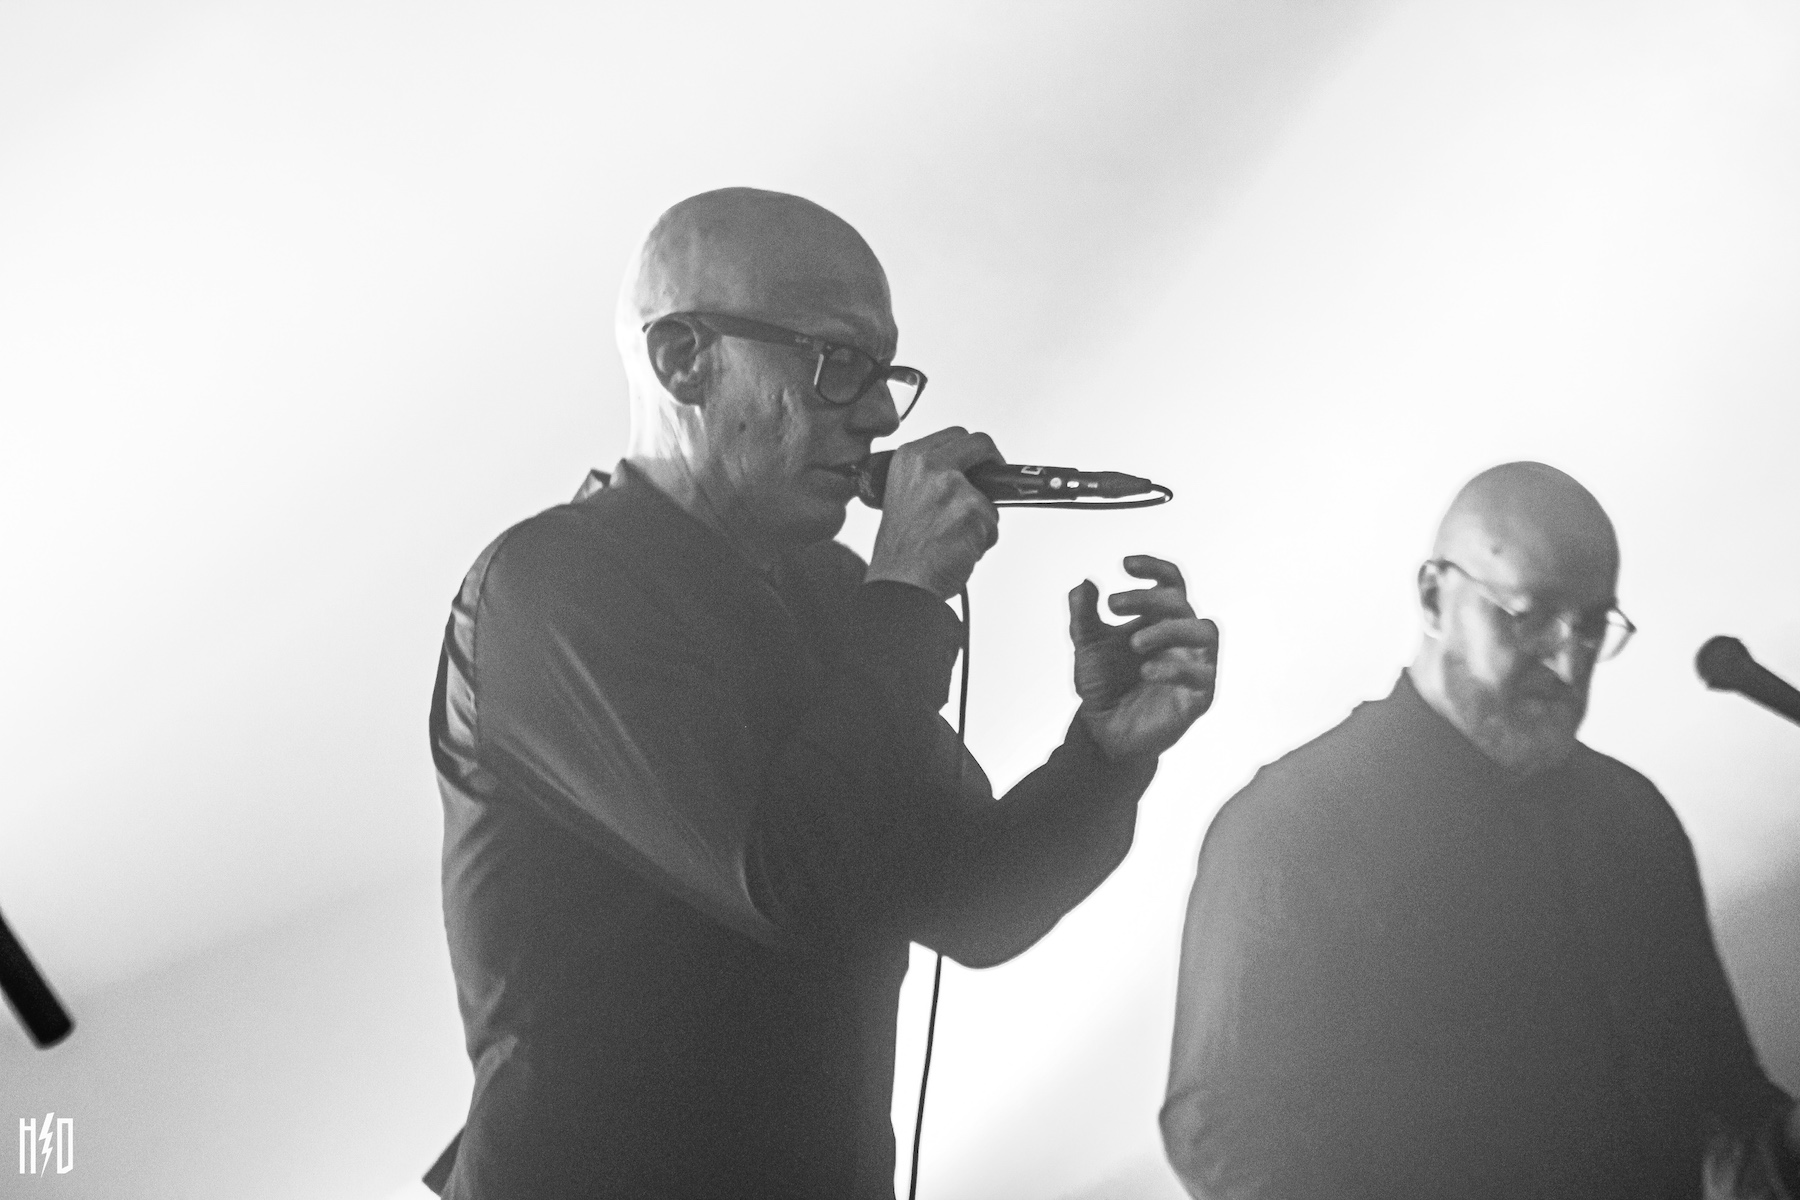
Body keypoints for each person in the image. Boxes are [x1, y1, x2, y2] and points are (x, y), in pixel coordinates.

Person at [427, 186, 1220, 1199]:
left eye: (885, 372)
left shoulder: (833, 594)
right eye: (837, 362)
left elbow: (975, 903)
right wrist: (909, 599)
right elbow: (784, 881)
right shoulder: (556, 589)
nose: (881, 413)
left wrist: (1103, 758)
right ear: (683, 358)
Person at [1160, 462, 1799, 1199]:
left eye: (1593, 625)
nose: (1568, 661)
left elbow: (1721, 1115)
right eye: (1528, 616)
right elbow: (1222, 1137)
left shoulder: (1633, 818)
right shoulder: (1291, 827)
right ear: (1434, 597)